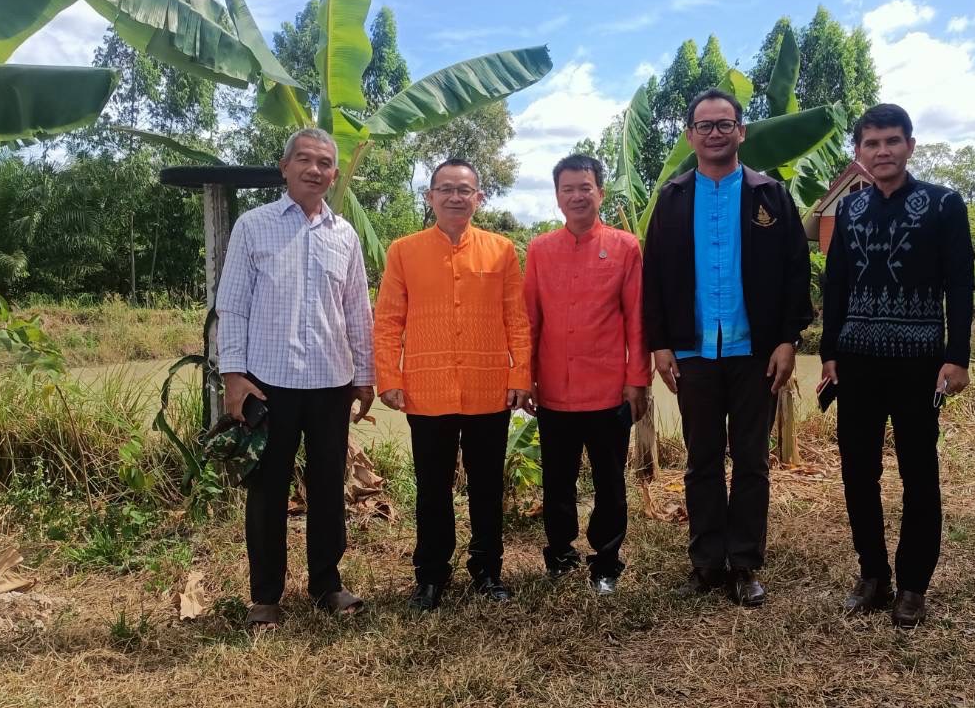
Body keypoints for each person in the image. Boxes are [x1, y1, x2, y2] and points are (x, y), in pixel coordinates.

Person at [642, 88, 813, 607]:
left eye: (724, 124)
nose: (714, 133)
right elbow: (654, 276)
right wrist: (660, 344)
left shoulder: (770, 196)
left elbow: (795, 271)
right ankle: (706, 562)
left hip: (754, 352)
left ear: (741, 131)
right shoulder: (673, 198)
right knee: (701, 460)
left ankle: (745, 563)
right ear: (690, 134)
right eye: (705, 125)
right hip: (693, 352)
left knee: (752, 460)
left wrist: (787, 339)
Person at [820, 102, 974, 629]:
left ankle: (912, 585)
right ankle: (872, 575)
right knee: (857, 471)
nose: (882, 151)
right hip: (857, 362)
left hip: (919, 362)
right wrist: (829, 353)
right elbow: (836, 283)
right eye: (871, 143)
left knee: (918, 472)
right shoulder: (850, 209)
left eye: (891, 141)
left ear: (910, 145)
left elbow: (960, 284)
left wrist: (957, 356)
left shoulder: (943, 204)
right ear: (858, 151)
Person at [215, 127, 375, 629]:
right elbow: (232, 305)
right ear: (284, 167)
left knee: (328, 487)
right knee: (268, 490)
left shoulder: (344, 236)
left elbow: (358, 311)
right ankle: (266, 596)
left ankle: (327, 585)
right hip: (268, 384)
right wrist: (233, 375)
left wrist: (364, 376)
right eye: (304, 159)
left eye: (325, 163)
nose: (315, 169)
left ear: (335, 174)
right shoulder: (253, 226)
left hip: (331, 382)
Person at [373, 158, 532, 611]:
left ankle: (488, 570)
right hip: (427, 390)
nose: (455, 197)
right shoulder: (404, 251)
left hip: (489, 388)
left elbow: (517, 319)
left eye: (464, 190)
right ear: (430, 197)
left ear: (479, 198)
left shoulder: (501, 250)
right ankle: (430, 576)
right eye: (445, 189)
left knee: (487, 487)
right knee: (432, 489)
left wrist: (520, 375)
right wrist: (389, 376)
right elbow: (388, 321)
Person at [523, 153, 650, 595]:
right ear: (557, 196)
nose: (577, 196)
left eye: (585, 187)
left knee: (610, 481)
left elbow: (637, 320)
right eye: (568, 189)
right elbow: (530, 320)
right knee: (557, 480)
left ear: (601, 192)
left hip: (609, 389)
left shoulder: (625, 247)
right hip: (553, 389)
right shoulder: (540, 250)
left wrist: (637, 379)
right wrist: (525, 377)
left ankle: (607, 560)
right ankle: (560, 553)